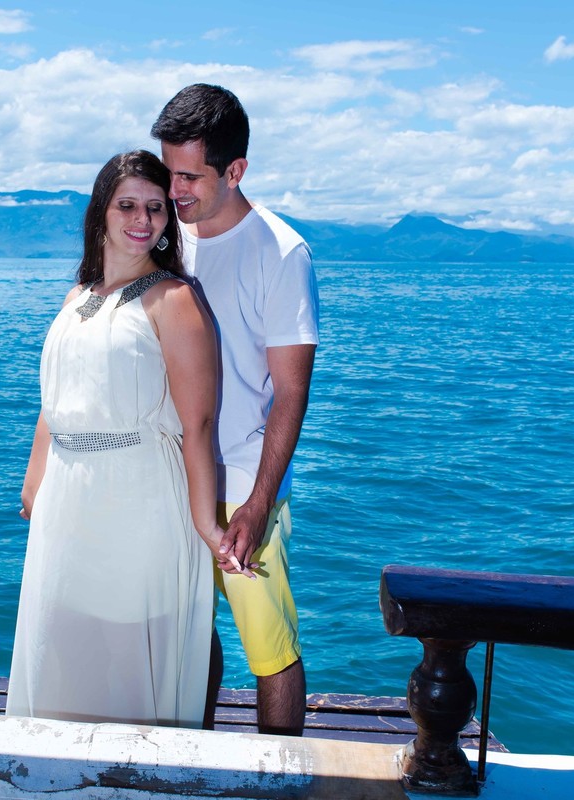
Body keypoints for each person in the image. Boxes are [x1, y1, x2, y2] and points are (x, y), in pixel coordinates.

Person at [6, 150, 252, 728]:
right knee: (66, 638)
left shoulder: (173, 299)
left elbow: (199, 425)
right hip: (69, 498)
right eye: (128, 205)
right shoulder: (78, 296)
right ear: (101, 212)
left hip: (139, 493)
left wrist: (206, 526)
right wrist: (35, 485)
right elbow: (54, 404)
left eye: (156, 208)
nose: (143, 220)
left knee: (127, 647)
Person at [152, 84, 319, 736]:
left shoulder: (281, 253)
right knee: (189, 638)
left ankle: (280, 776)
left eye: (190, 175)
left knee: (270, 651)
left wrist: (258, 503)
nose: (176, 189)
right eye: (169, 172)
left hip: (245, 487)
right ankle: (196, 759)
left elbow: (291, 392)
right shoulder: (171, 241)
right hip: (172, 481)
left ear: (236, 171)